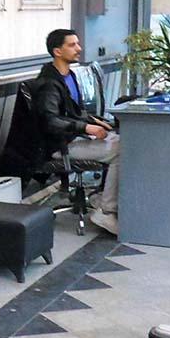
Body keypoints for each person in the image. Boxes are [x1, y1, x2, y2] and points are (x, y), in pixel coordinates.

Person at [33, 30, 121, 235]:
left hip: (73, 138)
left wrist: (94, 121)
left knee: (123, 141)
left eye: (78, 44)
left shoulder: (69, 76)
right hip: (59, 147)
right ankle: (106, 211)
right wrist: (86, 128)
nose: (79, 49)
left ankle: (101, 197)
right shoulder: (49, 83)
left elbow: (74, 111)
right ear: (57, 51)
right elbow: (50, 121)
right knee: (121, 150)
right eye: (72, 45)